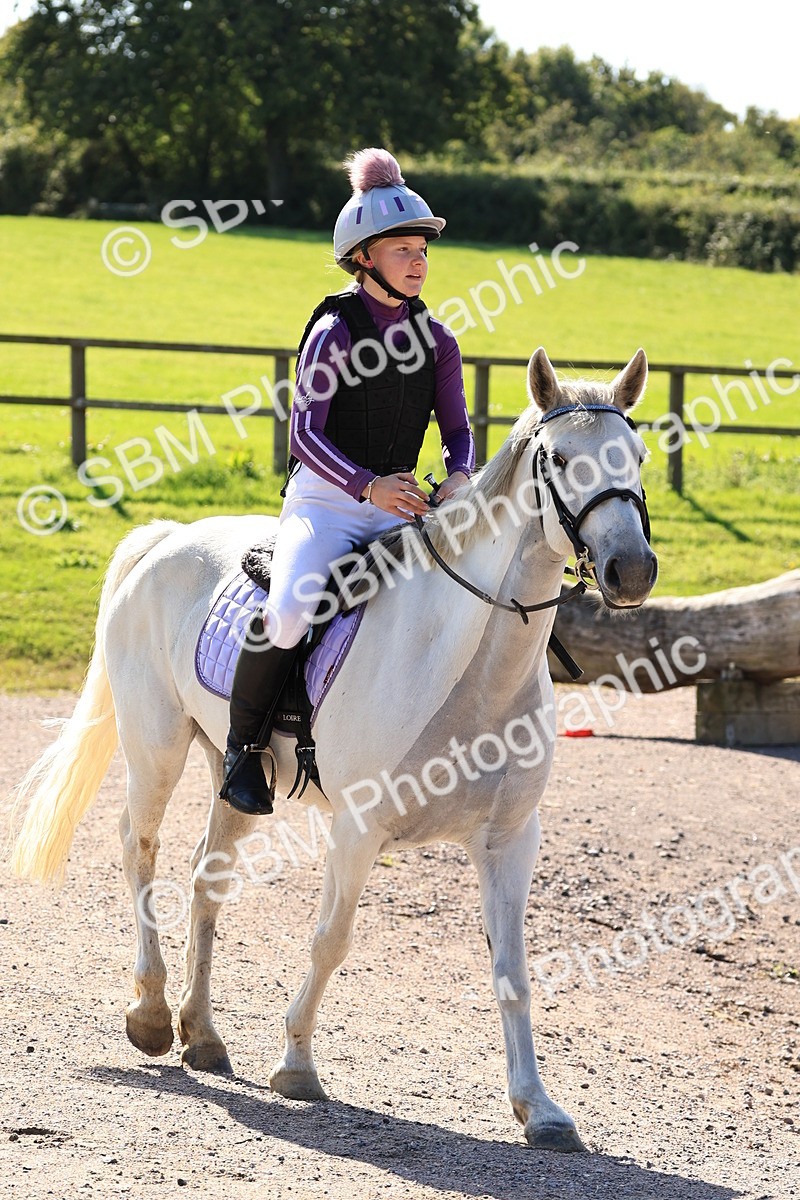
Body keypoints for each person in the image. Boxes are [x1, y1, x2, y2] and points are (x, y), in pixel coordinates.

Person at [219, 147, 476, 816]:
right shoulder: (334, 331)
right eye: (401, 249)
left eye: (422, 248)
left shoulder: (439, 340)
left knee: (453, 597)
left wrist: (459, 475)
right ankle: (243, 749)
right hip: (327, 503)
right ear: (363, 257)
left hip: (402, 504)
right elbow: (303, 434)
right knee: (291, 611)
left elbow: (458, 430)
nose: (418, 260)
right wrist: (368, 487)